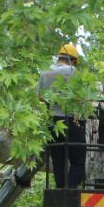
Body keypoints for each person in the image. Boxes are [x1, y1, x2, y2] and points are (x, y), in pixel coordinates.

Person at [38, 44, 86, 189]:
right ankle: (70, 187)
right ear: (74, 60)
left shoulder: (45, 72)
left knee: (58, 159)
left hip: (53, 121)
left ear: (59, 57)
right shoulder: (74, 72)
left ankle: (61, 187)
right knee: (78, 160)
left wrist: (54, 101)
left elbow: (40, 97)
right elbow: (82, 97)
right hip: (71, 119)